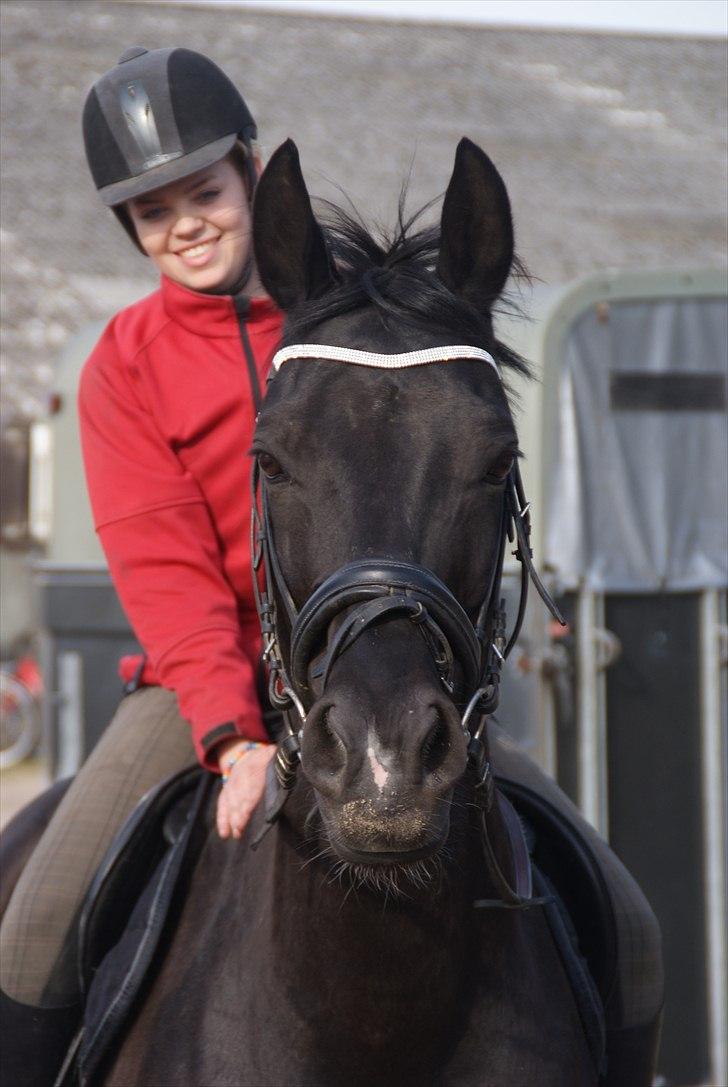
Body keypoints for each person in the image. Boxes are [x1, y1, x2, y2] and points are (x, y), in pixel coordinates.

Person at [0, 46, 282, 1085]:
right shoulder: (122, 363)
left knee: (615, 914)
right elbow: (165, 568)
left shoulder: (350, 314)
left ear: (252, 173)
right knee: (33, 934)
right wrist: (232, 733)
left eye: (203, 192)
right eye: (154, 214)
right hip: (204, 685)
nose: (186, 226)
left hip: (366, 671)